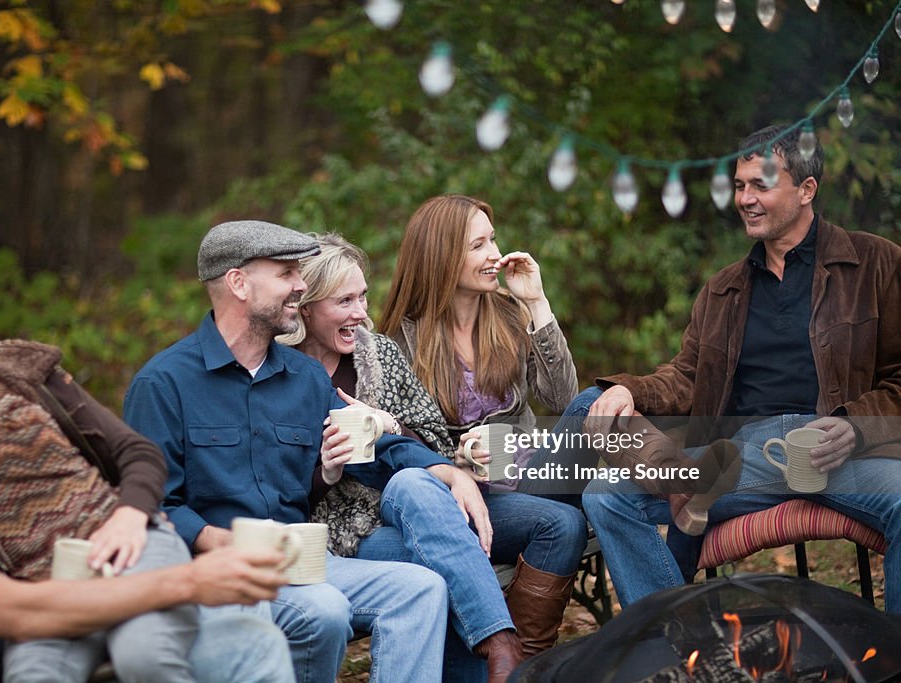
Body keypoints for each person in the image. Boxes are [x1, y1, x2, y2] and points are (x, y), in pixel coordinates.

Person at [0, 252, 269, 683]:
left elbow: (137, 452)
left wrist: (130, 514)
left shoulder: (17, 370)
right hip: (45, 592)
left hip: (128, 547)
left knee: (146, 656)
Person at [574, 124, 901, 611]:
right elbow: (686, 377)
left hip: (841, 454)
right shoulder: (723, 290)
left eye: (760, 186)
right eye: (740, 185)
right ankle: (672, 646)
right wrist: (631, 391)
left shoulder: (875, 263)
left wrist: (854, 428)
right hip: (745, 457)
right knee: (606, 494)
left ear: (806, 189)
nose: (745, 198)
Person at [124, 220, 453, 683]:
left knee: (421, 589)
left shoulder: (306, 378)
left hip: (302, 562)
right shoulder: (163, 384)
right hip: (215, 570)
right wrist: (217, 539)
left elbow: (378, 451)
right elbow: (152, 505)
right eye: (285, 273)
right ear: (239, 283)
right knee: (324, 611)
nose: (301, 285)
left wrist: (445, 469)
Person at [279, 232, 537, 679]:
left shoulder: (379, 354)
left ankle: (501, 647)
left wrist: (389, 424)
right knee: (442, 561)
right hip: (341, 531)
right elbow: (274, 488)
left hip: (415, 506)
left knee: (413, 483)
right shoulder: (281, 373)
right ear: (307, 308)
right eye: (344, 302)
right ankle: (501, 646)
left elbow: (434, 440)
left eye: (363, 297)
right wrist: (327, 470)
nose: (361, 314)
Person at [379, 195, 589, 652]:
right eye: (478, 245)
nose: (495, 254)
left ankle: (673, 477)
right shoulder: (402, 340)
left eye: (492, 240)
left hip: (535, 477)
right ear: (442, 256)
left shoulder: (511, 316)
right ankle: (521, 659)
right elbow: (403, 447)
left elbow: (563, 400)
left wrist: (537, 302)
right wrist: (456, 459)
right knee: (568, 522)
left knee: (591, 404)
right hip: (473, 501)